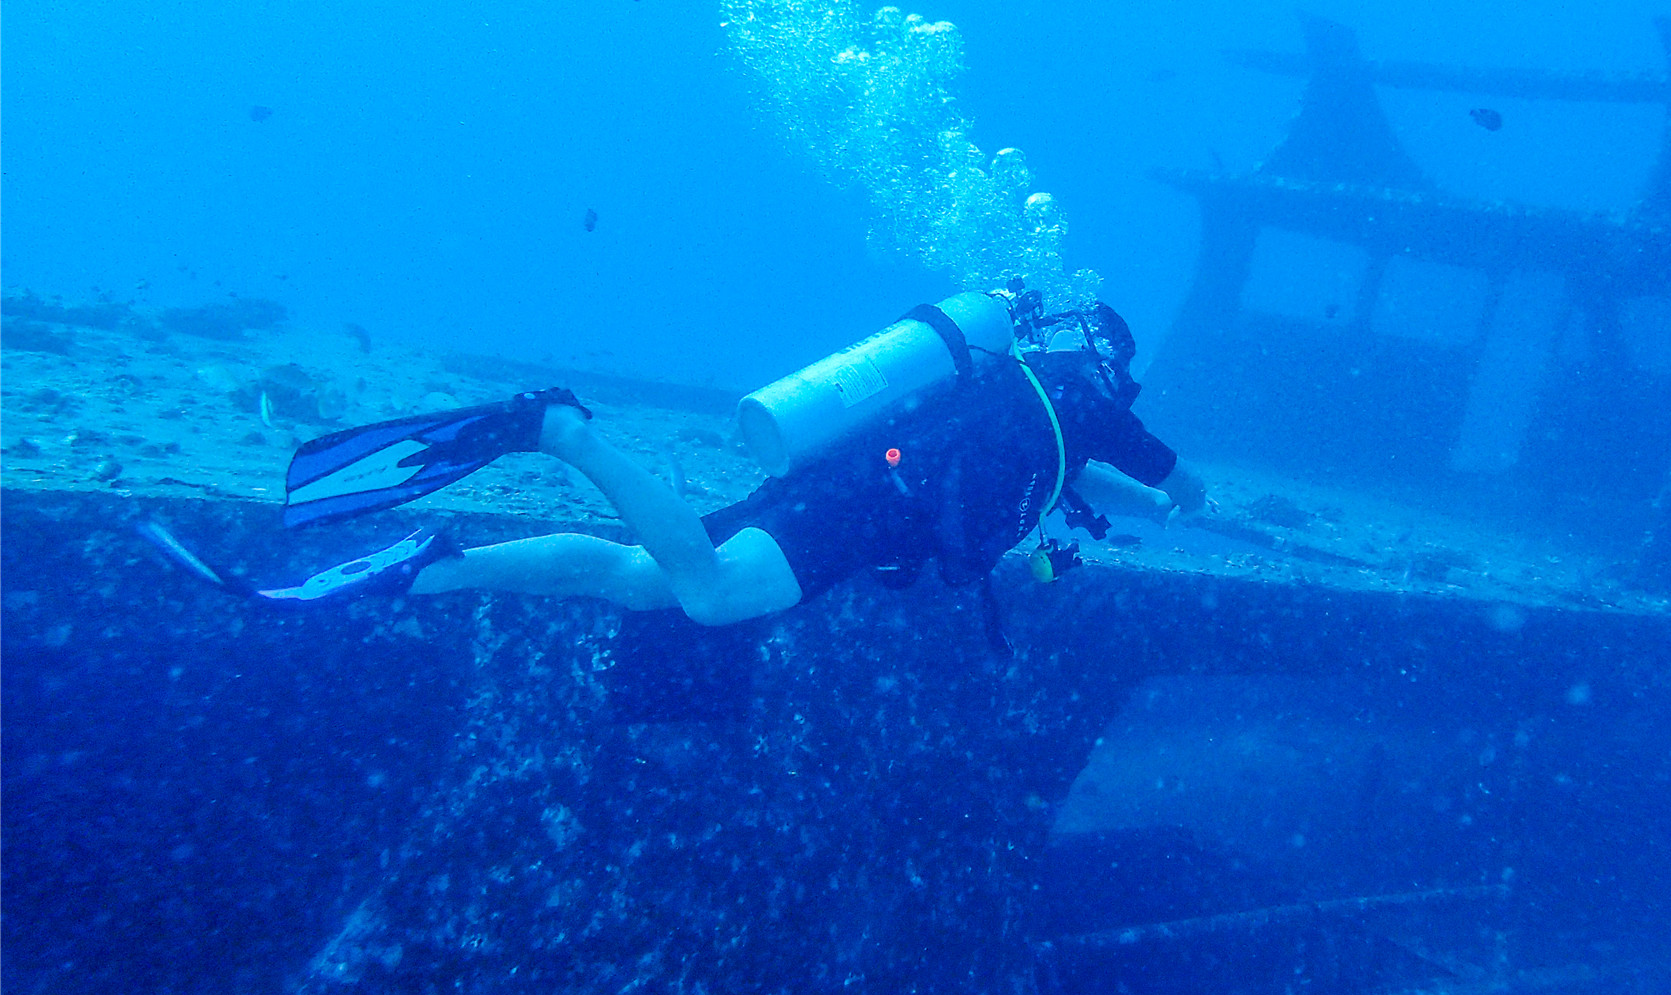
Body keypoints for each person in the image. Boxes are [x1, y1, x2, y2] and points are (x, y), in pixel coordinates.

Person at [138, 298, 1207, 629]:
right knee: (707, 595)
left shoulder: (1031, 414)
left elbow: (1076, 500)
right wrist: (1189, 501)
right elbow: (1168, 478)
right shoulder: (1079, 402)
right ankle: (562, 430)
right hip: (857, 511)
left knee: (640, 577)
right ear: (1102, 360)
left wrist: (1113, 535)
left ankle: (436, 564)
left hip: (845, 486)